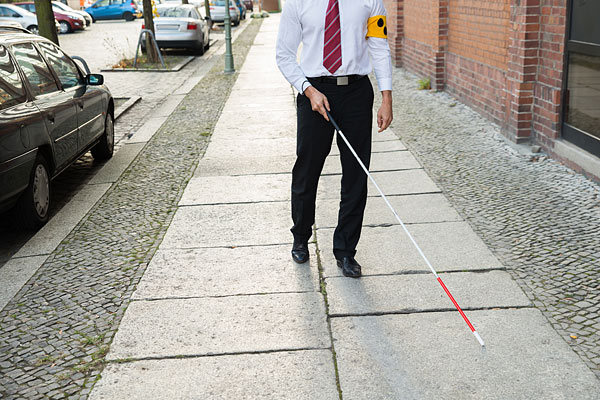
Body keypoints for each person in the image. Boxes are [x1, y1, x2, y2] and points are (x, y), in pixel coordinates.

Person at [276, 0, 393, 278]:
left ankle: (346, 250)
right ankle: (301, 236)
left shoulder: (371, 1)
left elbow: (379, 47)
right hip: (313, 91)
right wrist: (308, 90)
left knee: (356, 173)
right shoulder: (298, 3)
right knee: (307, 170)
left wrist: (387, 97)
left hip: (356, 94)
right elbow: (284, 54)